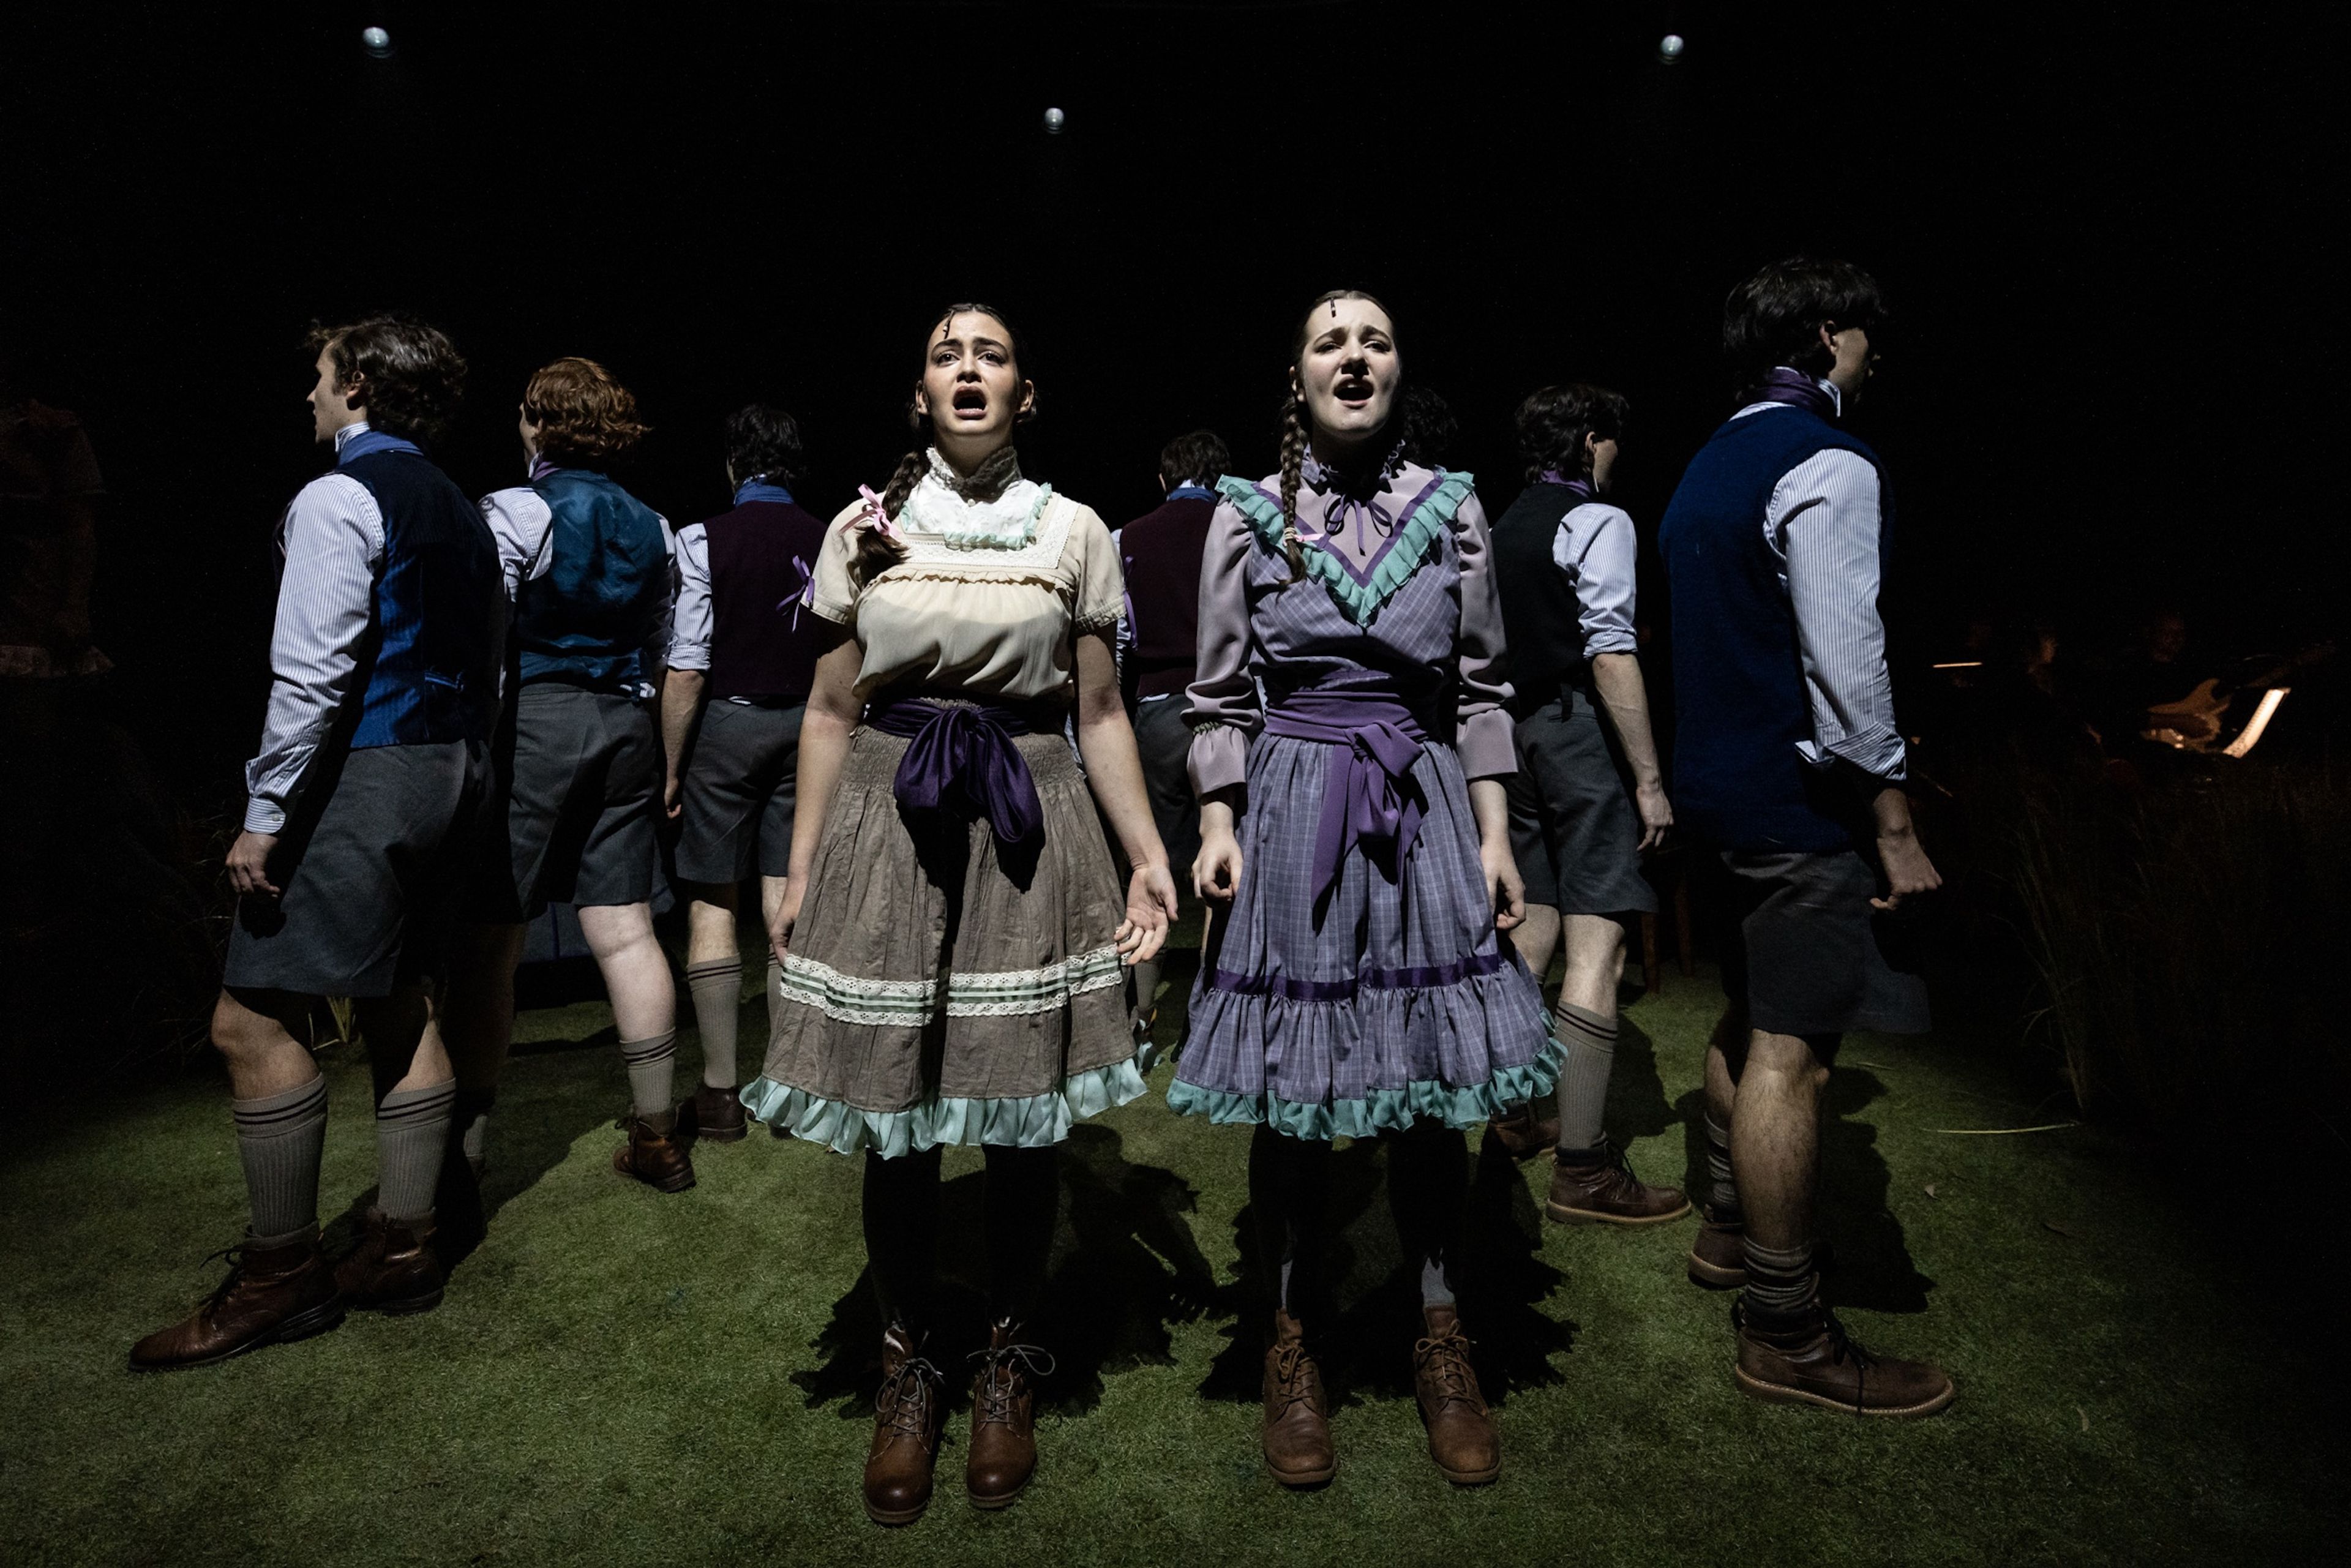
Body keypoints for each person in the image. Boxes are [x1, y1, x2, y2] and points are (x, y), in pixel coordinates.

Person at [743, 304, 1176, 1525]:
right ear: (920, 394)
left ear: (1024, 392)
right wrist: (800, 866)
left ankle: (1005, 1353)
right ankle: (905, 1359)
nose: (969, 368)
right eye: (947, 354)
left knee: (1022, 1106)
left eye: (990, 353)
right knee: (899, 1113)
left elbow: (1098, 712)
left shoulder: (1076, 529)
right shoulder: (862, 528)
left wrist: (1148, 856)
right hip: (890, 823)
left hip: (1030, 825)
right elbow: (830, 710)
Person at [1173, 290, 1561, 1488]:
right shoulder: (1245, 513)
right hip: (1292, 803)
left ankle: (1440, 1329)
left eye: (1377, 340)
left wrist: (1498, 836)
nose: (1356, 354)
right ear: (1298, 375)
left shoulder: (1450, 508)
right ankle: (1296, 1333)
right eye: (1331, 339)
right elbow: (1222, 693)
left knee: (1424, 1088)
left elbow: (1485, 687)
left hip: (1424, 799)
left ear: (1398, 371)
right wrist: (1219, 819)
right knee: (1299, 1089)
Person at [129, 317, 504, 1368]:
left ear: (363, 386)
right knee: (402, 998)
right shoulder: (468, 512)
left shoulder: (341, 493)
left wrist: (264, 813)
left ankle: (282, 1275)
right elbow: (490, 662)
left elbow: (314, 670)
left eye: (322, 376)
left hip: (374, 768)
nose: (310, 394)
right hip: (456, 769)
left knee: (248, 1018)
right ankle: (404, 1242)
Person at [1658, 256, 1954, 1417]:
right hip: (1793, 803)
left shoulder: (1704, 465)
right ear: (1833, 336)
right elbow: (1846, 654)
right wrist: (1892, 813)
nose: (1873, 360)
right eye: (1866, 341)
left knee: (1743, 1014)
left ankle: (1732, 1234)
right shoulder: (1825, 456)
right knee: (1798, 1053)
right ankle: (1785, 1329)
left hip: (1714, 796)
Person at [443, 358, 689, 1195]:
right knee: (625, 928)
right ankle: (658, 1132)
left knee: (492, 937)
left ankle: (463, 1155)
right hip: (626, 721)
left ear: (537, 423)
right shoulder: (656, 524)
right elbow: (664, 642)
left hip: (538, 723)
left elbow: (487, 642)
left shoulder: (513, 510)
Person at [1486, 384, 1686, 1226]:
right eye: (1611, 443)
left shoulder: (1497, 526)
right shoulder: (1598, 519)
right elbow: (1610, 649)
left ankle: (1513, 1116)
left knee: (1531, 931)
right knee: (1597, 950)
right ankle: (1584, 1167)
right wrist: (1648, 778)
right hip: (1575, 729)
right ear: (1592, 442)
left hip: (1511, 734)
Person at [659, 403, 831, 1142]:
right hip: (811, 730)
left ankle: (722, 1092)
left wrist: (670, 768)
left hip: (727, 726)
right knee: (787, 903)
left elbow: (688, 667)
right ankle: (790, 1085)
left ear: (734, 464)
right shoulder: (831, 538)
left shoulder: (702, 538)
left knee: (712, 909)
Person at [1116, 427, 1228, 1042]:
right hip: (1228, 711)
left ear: (1164, 479)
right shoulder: (1243, 528)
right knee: (1225, 864)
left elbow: (1119, 641)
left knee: (1150, 861)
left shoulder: (1124, 537)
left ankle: (1139, 1012)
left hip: (1157, 712)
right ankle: (1206, 1018)